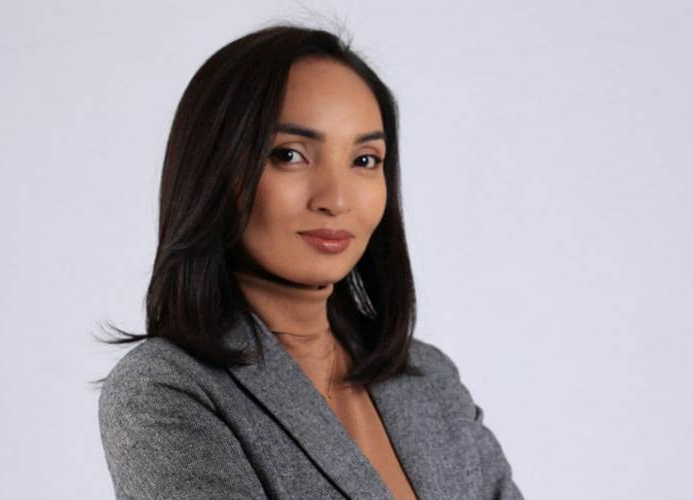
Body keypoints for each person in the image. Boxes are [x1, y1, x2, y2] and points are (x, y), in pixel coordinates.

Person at [96, 23, 524, 500]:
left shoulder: (428, 377)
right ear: (215, 169)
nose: (336, 199)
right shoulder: (167, 388)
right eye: (290, 154)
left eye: (365, 160)